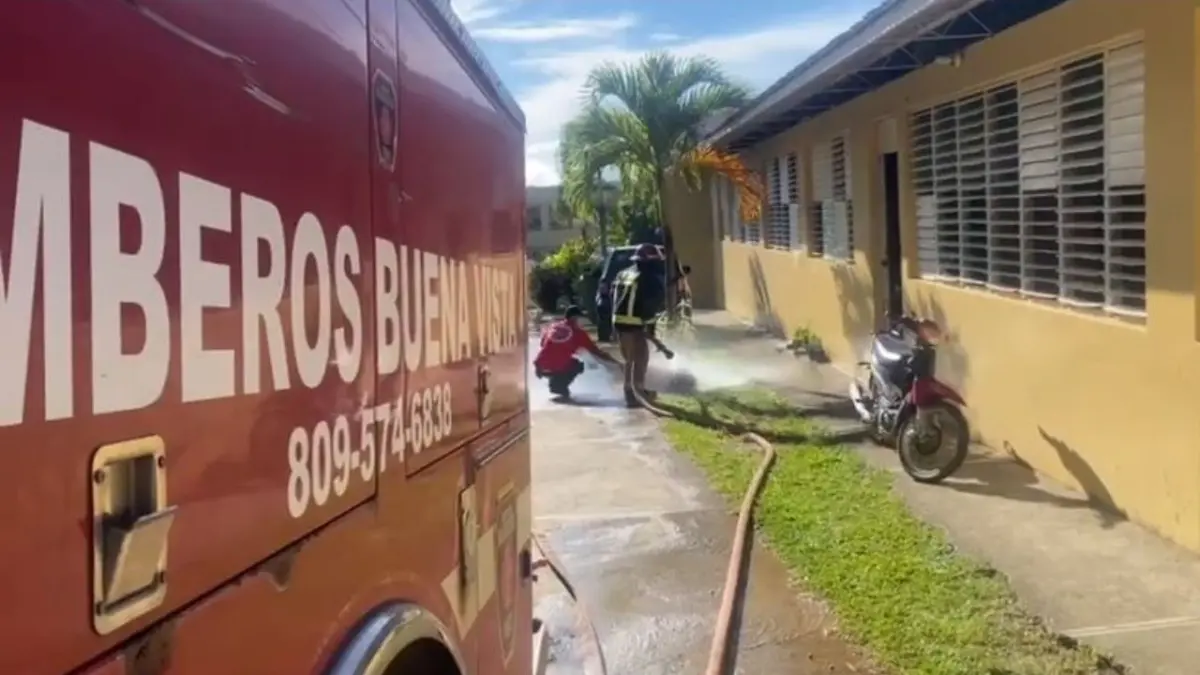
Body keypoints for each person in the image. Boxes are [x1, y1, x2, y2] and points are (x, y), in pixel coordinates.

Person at [611, 243, 667, 407]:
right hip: (634, 323)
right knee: (641, 357)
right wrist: (650, 329)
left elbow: (615, 296)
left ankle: (629, 391)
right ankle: (639, 392)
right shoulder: (649, 278)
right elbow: (650, 305)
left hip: (618, 321)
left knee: (629, 359)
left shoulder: (624, 273)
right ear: (652, 262)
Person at [533, 306, 618, 398]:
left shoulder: (553, 326)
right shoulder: (579, 333)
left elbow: (543, 344)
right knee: (578, 365)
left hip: (540, 365)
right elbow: (596, 352)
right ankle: (558, 386)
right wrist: (614, 362)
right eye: (579, 318)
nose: (580, 322)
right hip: (556, 366)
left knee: (564, 360)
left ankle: (554, 380)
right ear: (574, 318)